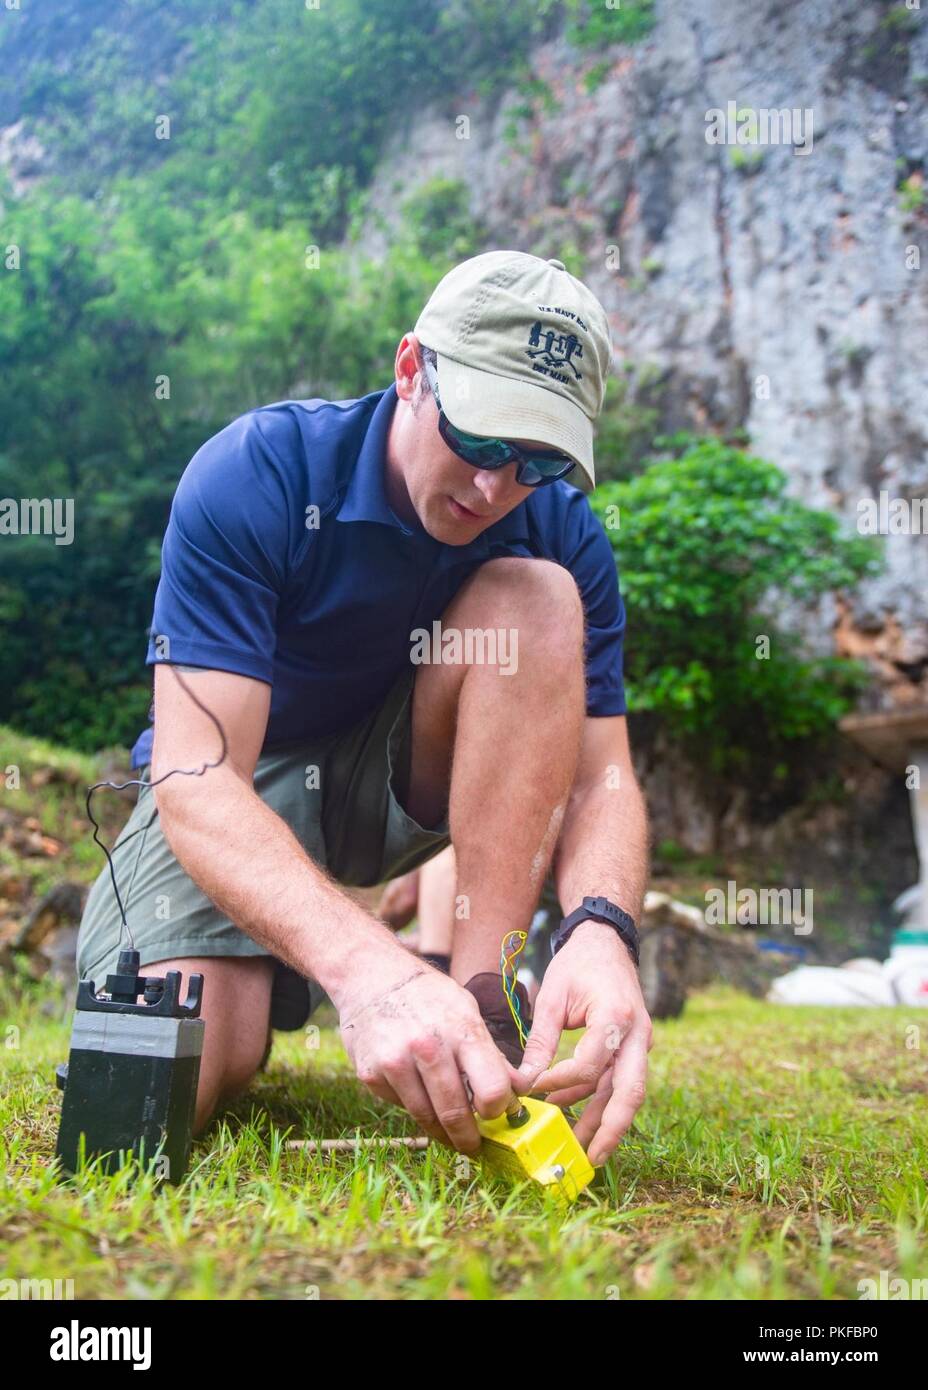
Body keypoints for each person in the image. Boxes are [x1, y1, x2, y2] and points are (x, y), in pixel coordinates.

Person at [76, 249, 651, 1166]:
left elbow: (603, 776)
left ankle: (484, 1004)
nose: (497, 487)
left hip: (398, 779)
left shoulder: (560, 535)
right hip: (238, 783)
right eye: (484, 437)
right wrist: (371, 972)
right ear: (412, 369)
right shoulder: (257, 474)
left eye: (537, 459)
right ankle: (267, 984)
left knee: (536, 601)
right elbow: (193, 773)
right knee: (166, 1091)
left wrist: (602, 930)